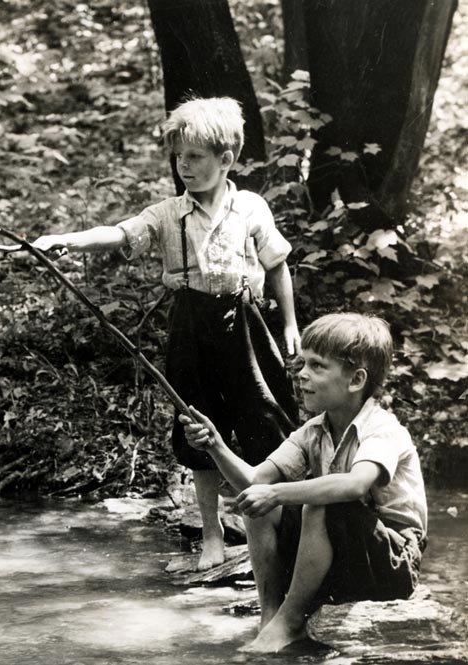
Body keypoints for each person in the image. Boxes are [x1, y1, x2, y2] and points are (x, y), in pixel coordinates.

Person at [33, 96, 300, 570]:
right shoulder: (168, 213)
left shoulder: (251, 208)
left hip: (248, 327)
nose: (184, 166)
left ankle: (277, 525)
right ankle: (212, 535)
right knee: (198, 425)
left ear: (226, 159)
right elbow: (119, 232)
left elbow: (277, 266)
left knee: (267, 420)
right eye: (178, 156)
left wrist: (290, 325)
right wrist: (66, 240)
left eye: (194, 156)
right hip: (192, 329)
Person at [180, 312, 428, 653]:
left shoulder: (383, 428)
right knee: (259, 503)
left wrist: (277, 493)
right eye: (302, 364)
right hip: (347, 554)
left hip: (394, 561)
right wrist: (215, 445)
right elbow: (254, 481)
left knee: (318, 499)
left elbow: (355, 485)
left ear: (356, 380)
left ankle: (291, 620)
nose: (301, 375)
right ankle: (271, 616)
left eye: (317, 366)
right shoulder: (313, 431)